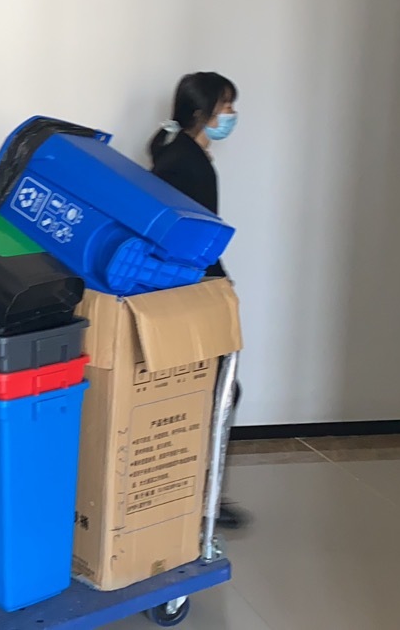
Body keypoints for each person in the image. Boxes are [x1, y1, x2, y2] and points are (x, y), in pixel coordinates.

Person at [147, 71, 248, 531]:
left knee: (215, 390)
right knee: (219, 391)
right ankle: (204, 498)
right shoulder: (183, 163)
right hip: (192, 291)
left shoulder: (181, 154)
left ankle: (202, 494)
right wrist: (217, 287)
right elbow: (190, 239)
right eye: (225, 106)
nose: (231, 115)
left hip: (194, 287)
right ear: (200, 112)